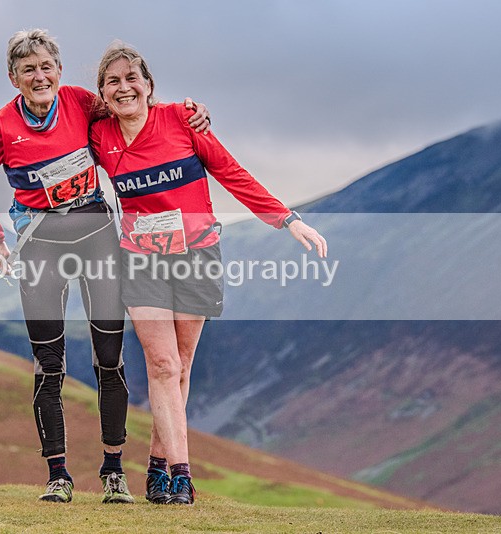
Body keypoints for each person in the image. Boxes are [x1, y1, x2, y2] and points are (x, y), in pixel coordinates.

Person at [0, 29, 210, 504]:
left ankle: (113, 470)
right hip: (40, 242)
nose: (39, 76)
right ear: (13, 78)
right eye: (28, 69)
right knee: (48, 362)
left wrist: (190, 113)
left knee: (109, 358)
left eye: (46, 67)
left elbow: (134, 108)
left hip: (97, 234)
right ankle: (58, 475)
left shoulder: (81, 101)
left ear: (59, 70)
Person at [89, 43, 328, 505]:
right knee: (161, 365)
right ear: (102, 92)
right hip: (140, 257)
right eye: (113, 81)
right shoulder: (100, 135)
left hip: (197, 253)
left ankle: (158, 463)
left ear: (149, 85)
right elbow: (56, 122)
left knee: (180, 367)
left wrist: (288, 219)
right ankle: (181, 474)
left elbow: (231, 173)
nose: (124, 88)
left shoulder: (181, 119)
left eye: (132, 78)